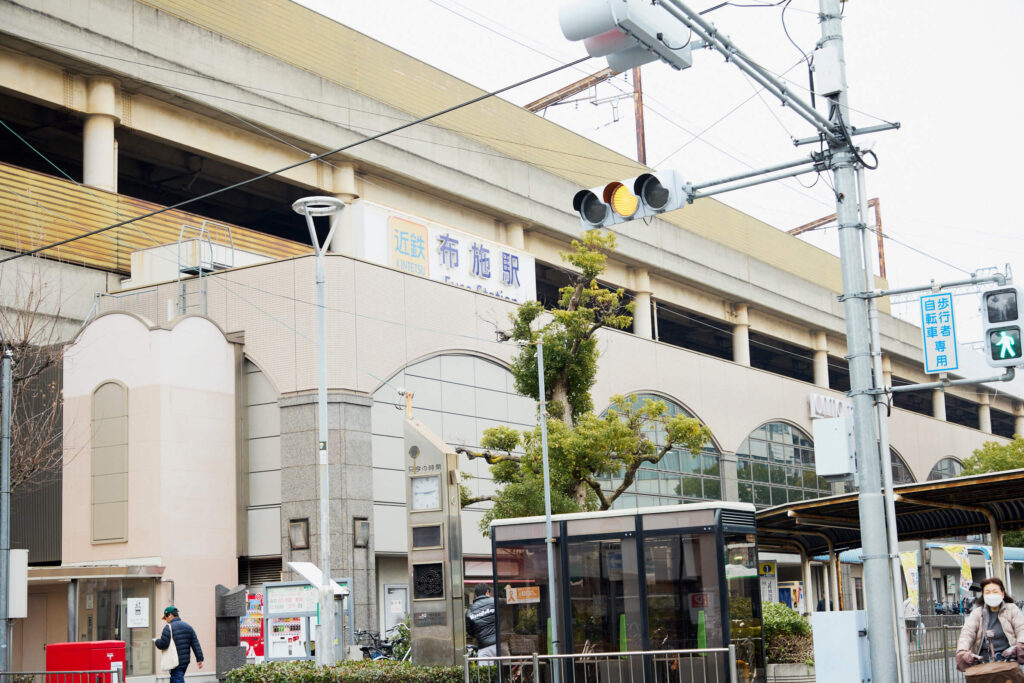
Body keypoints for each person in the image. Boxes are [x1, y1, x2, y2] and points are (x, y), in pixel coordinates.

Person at [955, 577, 1024, 670]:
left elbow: (1021, 628)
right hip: (983, 662)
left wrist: (1019, 646)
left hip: (1008, 660)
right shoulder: (977, 612)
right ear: (983, 595)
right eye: (987, 592)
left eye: (995, 591)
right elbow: (967, 633)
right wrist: (962, 652)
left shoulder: (1011, 609)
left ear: (1002, 594)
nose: (991, 595)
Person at [154, 606, 204, 683]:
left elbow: (163, 644)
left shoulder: (168, 628)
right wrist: (199, 659)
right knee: (175, 678)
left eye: (166, 617)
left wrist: (156, 641)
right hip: (185, 661)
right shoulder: (188, 627)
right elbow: (195, 643)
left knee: (177, 679)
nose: (166, 620)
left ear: (170, 615)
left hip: (175, 661)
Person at [466, 584, 497, 661]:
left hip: (483, 647)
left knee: (485, 671)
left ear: (476, 595)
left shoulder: (470, 610)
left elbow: (470, 631)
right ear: (487, 592)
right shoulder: (495, 602)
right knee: (505, 671)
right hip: (500, 644)